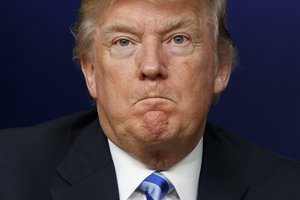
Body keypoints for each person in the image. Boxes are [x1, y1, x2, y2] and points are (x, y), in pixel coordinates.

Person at [0, 0, 299, 199]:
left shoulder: (287, 187)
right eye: (124, 42)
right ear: (91, 72)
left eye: (178, 39)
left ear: (220, 67)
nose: (151, 66)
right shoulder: (9, 173)